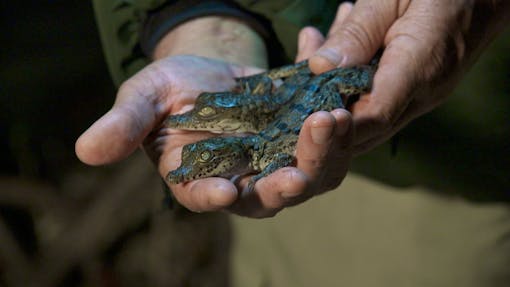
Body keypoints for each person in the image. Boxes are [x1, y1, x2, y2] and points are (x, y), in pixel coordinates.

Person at [78, 0, 510, 285]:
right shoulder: (251, 149)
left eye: (205, 154)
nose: (194, 157)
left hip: (462, 160)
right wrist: (194, 16)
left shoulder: (259, 145)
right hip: (308, 136)